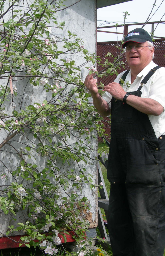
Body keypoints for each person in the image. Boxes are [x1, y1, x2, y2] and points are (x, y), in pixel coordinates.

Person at [84, 28, 165, 256]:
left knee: (146, 224)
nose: (133, 51)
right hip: (121, 160)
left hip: (147, 160)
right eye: (129, 47)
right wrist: (94, 94)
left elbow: (157, 108)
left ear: (150, 49)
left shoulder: (160, 76)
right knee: (120, 222)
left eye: (138, 46)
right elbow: (105, 111)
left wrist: (125, 96)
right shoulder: (122, 77)